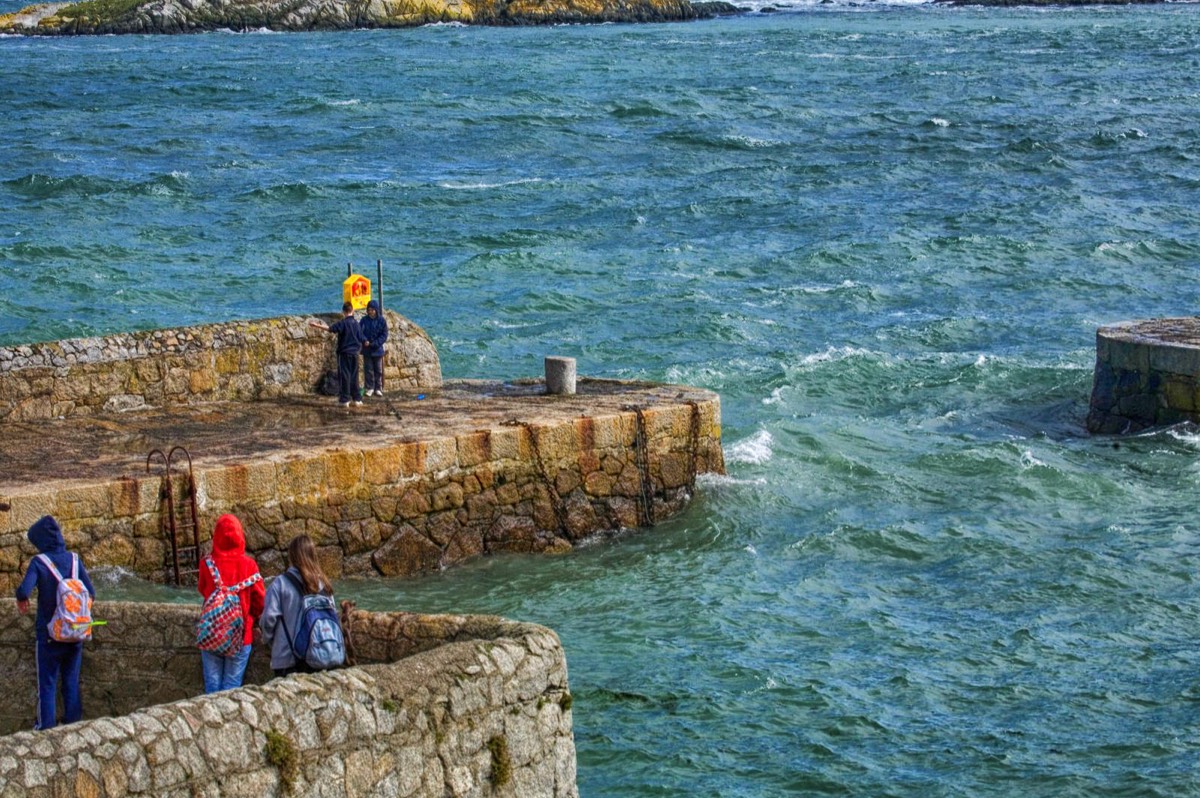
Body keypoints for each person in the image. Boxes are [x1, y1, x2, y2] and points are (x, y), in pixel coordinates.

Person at [14, 515, 96, 730]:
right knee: (71, 682)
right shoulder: (75, 560)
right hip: (76, 632)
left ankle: (46, 727)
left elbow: (24, 590)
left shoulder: (39, 563)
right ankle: (73, 725)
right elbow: (92, 593)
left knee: (47, 684)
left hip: (50, 635)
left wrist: (21, 599)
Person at [197, 514, 265, 693]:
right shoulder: (249, 566)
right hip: (241, 635)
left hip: (212, 632)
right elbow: (260, 601)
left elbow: (203, 590)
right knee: (231, 688)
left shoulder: (206, 563)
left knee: (212, 687)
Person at [260, 534, 335, 677]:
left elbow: (268, 620)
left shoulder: (280, 584)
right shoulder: (324, 584)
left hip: (287, 659)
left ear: (292, 556)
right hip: (320, 656)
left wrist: (267, 640)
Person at [309, 301, 365, 408]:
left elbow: (330, 329)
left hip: (344, 353)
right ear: (352, 311)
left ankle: (344, 400)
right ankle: (357, 399)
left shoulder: (343, 323)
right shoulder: (357, 324)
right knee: (354, 376)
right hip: (355, 354)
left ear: (343, 312)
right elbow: (362, 338)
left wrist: (316, 325)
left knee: (345, 376)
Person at [360, 299, 389, 397]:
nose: (371, 311)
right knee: (368, 369)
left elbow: (384, 335)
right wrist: (365, 341)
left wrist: (375, 343)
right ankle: (369, 388)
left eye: (372, 309)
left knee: (378, 370)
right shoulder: (364, 320)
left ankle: (378, 388)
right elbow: (359, 332)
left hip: (377, 349)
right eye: (369, 309)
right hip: (367, 349)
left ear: (376, 310)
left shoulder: (382, 321)